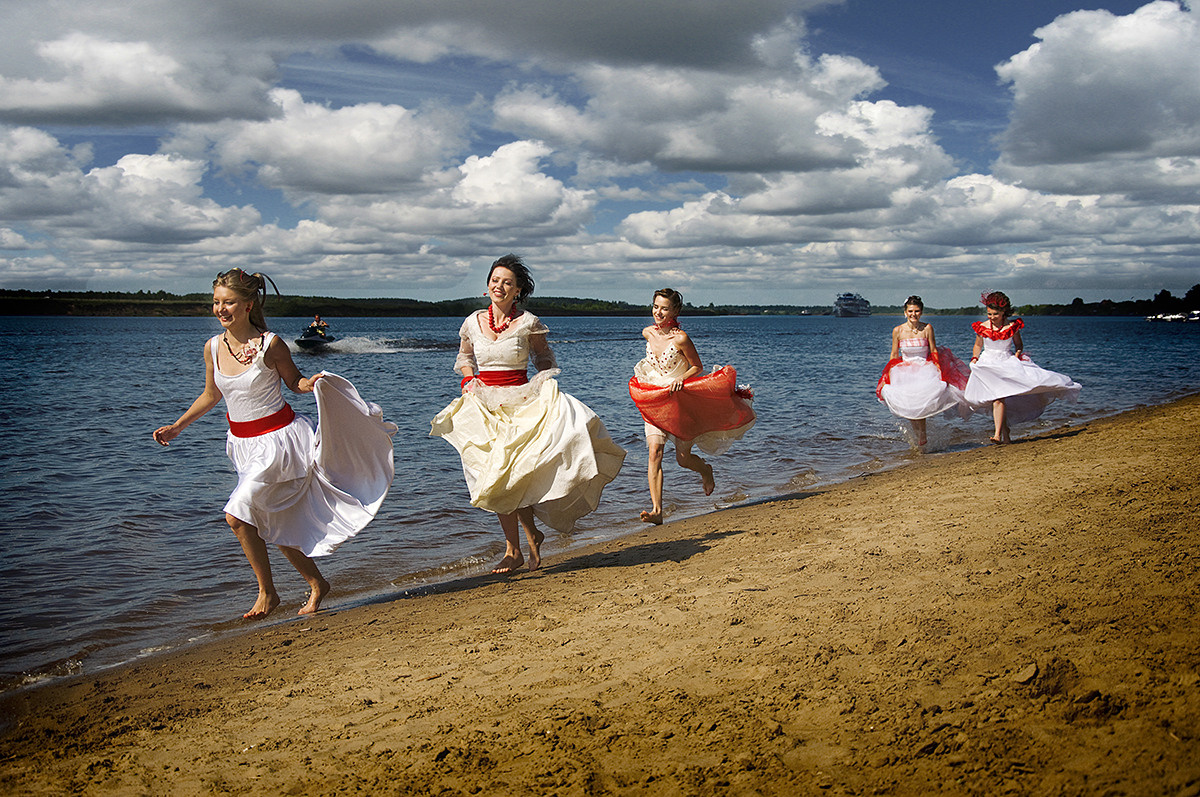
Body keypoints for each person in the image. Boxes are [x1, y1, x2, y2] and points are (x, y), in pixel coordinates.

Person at [153, 269, 397, 618]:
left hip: (279, 444)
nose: (221, 309)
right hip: (242, 445)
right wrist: (178, 427)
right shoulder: (213, 347)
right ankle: (317, 583)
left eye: (229, 302)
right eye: (217, 302)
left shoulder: (271, 344)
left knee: (236, 516)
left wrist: (311, 383)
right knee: (274, 520)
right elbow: (211, 394)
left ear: (248, 305)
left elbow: (294, 382)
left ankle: (267, 593)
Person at [430, 255, 626, 574]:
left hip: (522, 403)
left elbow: (543, 357)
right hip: (484, 405)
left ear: (518, 290)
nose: (500, 286)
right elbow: (465, 358)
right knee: (494, 476)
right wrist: (468, 379)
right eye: (495, 280)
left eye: (507, 282)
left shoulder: (529, 322)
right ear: (487, 285)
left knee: (515, 474)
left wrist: (544, 379)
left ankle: (520, 545)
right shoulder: (472, 322)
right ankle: (519, 545)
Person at [628, 289, 755, 525]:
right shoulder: (647, 333)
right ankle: (657, 511)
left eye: (665, 308)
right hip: (654, 399)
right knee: (654, 452)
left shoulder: (681, 339)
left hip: (679, 402)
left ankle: (706, 470)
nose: (658, 312)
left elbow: (697, 366)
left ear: (675, 311)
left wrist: (681, 378)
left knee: (683, 459)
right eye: (655, 306)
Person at [964, 290, 1082, 444]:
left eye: (995, 314)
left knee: (999, 398)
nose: (991, 317)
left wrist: (1017, 354)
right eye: (989, 314)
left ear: (1004, 312)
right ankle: (1004, 433)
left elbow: (1019, 344)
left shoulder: (1012, 326)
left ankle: (998, 434)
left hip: (1006, 362)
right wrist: (975, 358)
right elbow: (978, 345)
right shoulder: (982, 327)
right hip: (988, 364)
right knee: (996, 399)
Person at [875, 295, 972, 446]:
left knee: (921, 402)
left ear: (921, 312)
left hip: (924, 369)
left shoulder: (927, 328)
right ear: (905, 312)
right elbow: (894, 354)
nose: (913, 314)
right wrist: (888, 374)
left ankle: (922, 435)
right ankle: (918, 435)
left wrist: (939, 371)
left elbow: (933, 350)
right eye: (910, 311)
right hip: (903, 371)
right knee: (909, 405)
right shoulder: (898, 331)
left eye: (917, 311)